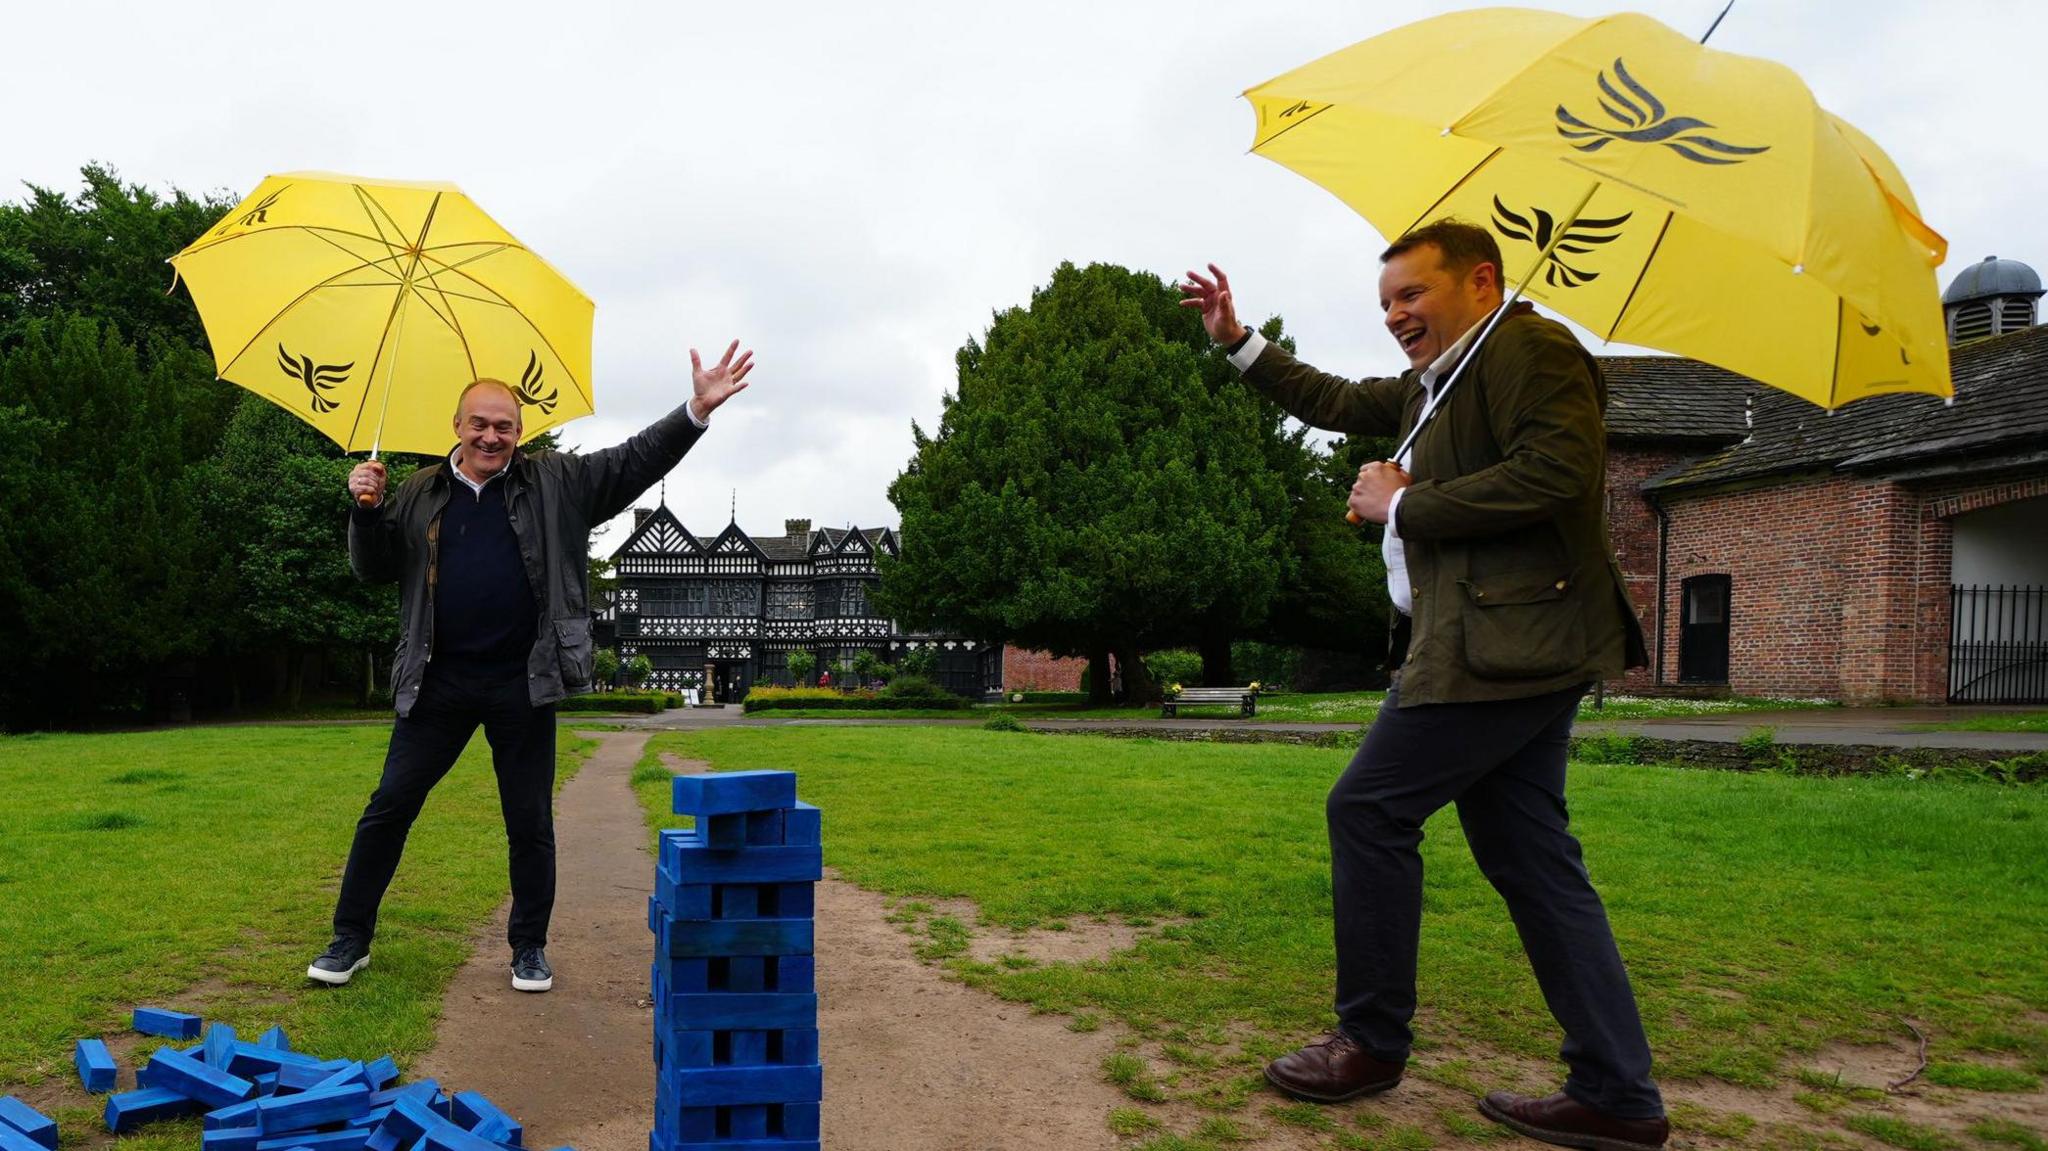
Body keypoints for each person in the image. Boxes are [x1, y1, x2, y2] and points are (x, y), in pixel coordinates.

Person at [1181, 220, 1667, 1151]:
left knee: (1367, 809)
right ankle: (1616, 1091)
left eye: (1413, 294)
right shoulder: (1440, 384)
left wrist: (1403, 502)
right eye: (1387, 303)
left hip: (1503, 647)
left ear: (1481, 280)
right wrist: (1238, 341)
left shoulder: (1533, 348)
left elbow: (1560, 476)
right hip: (1498, 644)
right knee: (1531, 858)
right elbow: (1333, 395)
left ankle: (1370, 1041)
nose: (1398, 315)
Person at [308, 341, 756, 994]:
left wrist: (693, 410)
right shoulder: (417, 491)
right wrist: (364, 511)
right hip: (436, 680)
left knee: (528, 820)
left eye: (505, 426)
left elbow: (632, 461)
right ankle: (350, 938)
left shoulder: (556, 483)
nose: (492, 436)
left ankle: (529, 946)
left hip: (523, 679)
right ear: (457, 428)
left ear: (519, 433)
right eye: (480, 424)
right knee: (389, 805)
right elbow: (372, 570)